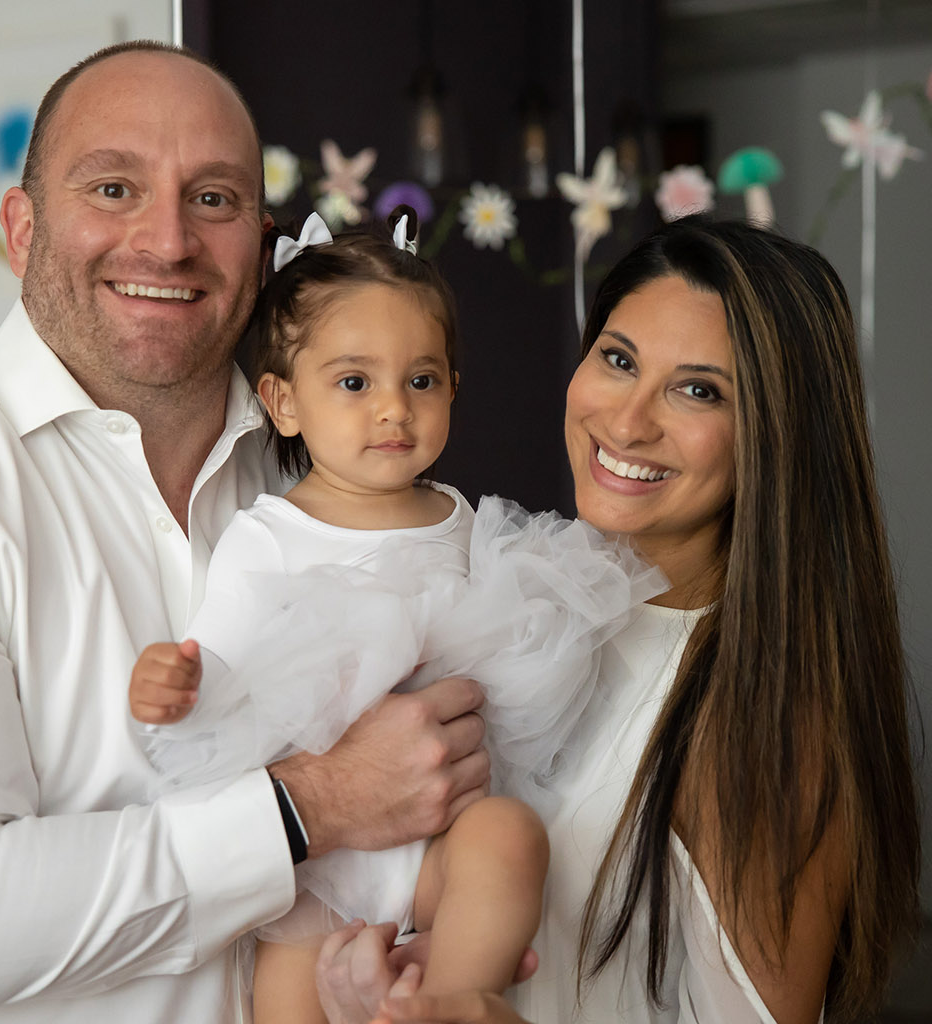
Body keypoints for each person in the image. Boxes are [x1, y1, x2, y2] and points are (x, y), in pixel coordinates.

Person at [0, 41, 494, 1024]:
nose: (168, 241)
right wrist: (311, 805)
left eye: (214, 198)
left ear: (260, 240)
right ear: (21, 230)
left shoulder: (331, 470)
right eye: (113, 188)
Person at [316, 217, 921, 1024]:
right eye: (620, 360)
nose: (629, 422)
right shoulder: (518, 610)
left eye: (699, 390)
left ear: (777, 435)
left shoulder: (767, 719)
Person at [126, 210, 664, 1023]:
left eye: (421, 381)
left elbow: (501, 655)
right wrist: (174, 685)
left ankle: (453, 1002)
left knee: (512, 839)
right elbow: (222, 670)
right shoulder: (269, 535)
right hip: (318, 864)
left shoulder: (460, 518)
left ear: (454, 388)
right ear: (283, 401)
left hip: (443, 834)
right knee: (284, 999)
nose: (393, 410)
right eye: (355, 383)